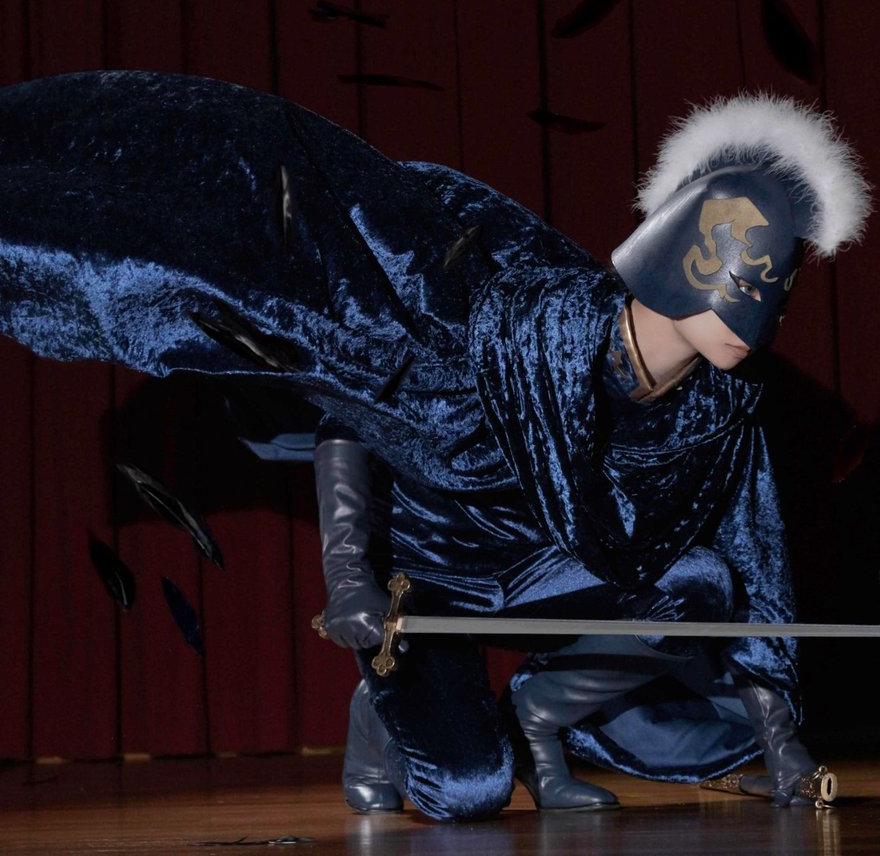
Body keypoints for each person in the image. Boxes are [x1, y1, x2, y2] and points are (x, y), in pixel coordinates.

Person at [0, 71, 869, 820]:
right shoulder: (524, 330)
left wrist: (783, 744)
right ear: (684, 250)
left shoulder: (722, 407)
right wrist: (351, 576)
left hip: (550, 577)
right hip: (428, 584)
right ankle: (381, 712)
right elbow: (354, 406)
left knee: (703, 580)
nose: (759, 315)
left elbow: (755, 570)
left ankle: (539, 715)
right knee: (466, 793)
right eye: (747, 272)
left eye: (780, 285)